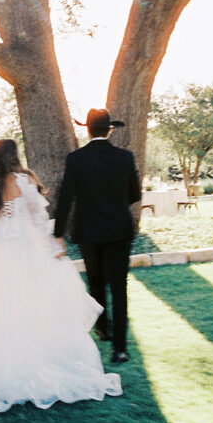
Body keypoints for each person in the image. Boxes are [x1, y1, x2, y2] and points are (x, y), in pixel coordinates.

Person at [0, 139, 122, 418]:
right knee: (30, 302)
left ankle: (4, 359)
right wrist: (54, 243)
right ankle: (33, 356)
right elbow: (38, 218)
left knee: (1, 305)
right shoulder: (24, 180)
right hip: (23, 250)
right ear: (14, 155)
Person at [53, 108, 142, 364]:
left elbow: (66, 198)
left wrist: (58, 233)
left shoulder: (76, 159)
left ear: (88, 130)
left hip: (88, 230)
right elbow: (135, 194)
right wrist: (115, 204)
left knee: (96, 283)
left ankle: (103, 329)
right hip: (119, 230)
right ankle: (120, 348)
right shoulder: (125, 157)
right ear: (110, 130)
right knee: (119, 288)